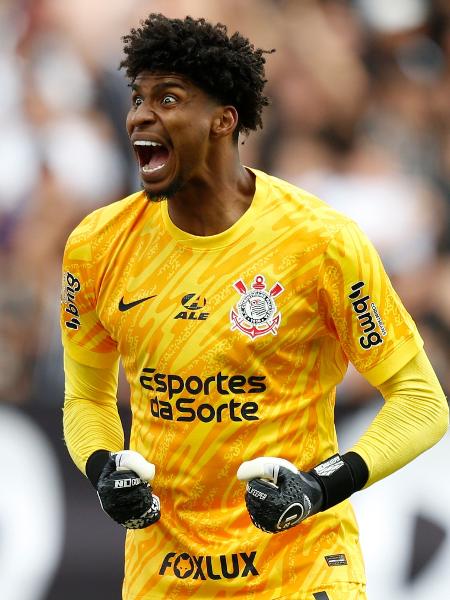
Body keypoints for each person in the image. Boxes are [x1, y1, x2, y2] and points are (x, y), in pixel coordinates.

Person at [60, 13, 448, 600]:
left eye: (167, 98)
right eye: (138, 98)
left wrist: (320, 486)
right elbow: (85, 397)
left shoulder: (319, 242)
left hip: (300, 570)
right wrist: (101, 467)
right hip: (166, 576)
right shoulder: (98, 244)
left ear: (223, 120)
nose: (140, 114)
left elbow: (421, 401)